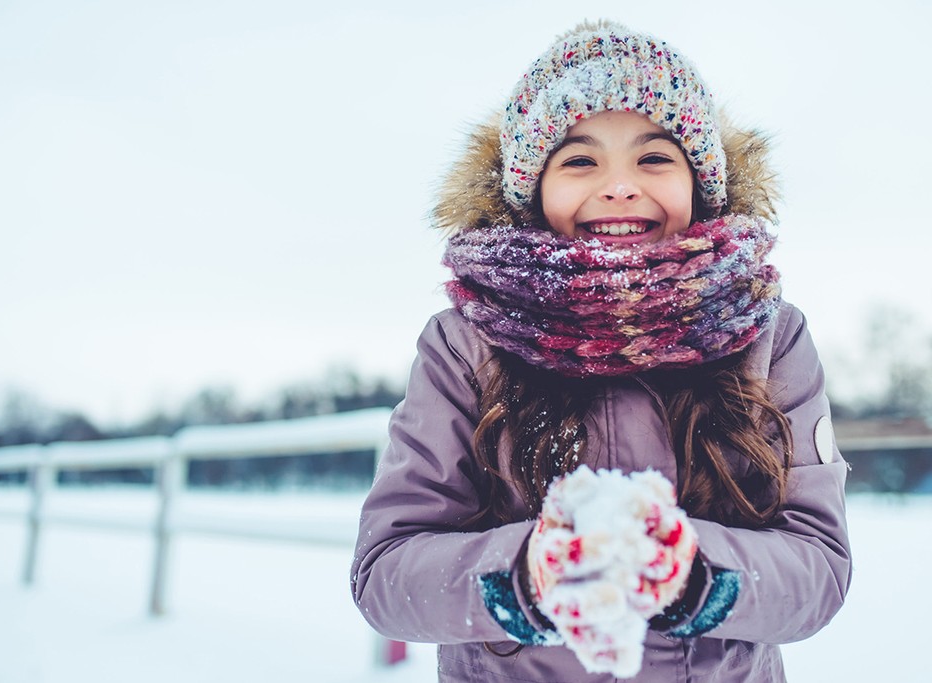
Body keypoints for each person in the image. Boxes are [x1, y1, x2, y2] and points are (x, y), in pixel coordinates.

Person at [350, 20, 851, 682]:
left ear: (700, 183)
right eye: (580, 159)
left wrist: (700, 575)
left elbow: (819, 563)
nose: (619, 186)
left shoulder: (768, 336)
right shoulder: (464, 345)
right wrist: (524, 575)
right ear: (532, 188)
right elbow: (386, 572)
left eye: (654, 157)